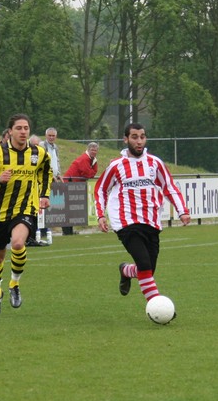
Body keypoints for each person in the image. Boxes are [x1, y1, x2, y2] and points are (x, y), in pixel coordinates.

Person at [95, 123, 191, 311]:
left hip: (151, 222)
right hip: (126, 222)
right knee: (145, 264)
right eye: (134, 137)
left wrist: (182, 210)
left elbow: (169, 187)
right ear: (125, 139)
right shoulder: (116, 166)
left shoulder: (155, 163)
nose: (139, 141)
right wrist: (101, 215)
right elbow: (100, 190)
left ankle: (125, 270)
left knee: (148, 270)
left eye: (142, 137)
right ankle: (158, 308)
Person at [0, 113, 53, 314]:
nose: (23, 131)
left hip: (25, 208)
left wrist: (44, 194)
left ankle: (14, 284)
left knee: (18, 243)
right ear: (10, 131)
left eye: (26, 128)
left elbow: (46, 172)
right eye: (19, 128)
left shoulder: (38, 153)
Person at [61, 142, 99, 235]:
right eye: (92, 150)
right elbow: (87, 174)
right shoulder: (84, 159)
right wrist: (91, 172)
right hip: (70, 185)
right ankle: (67, 231)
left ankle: (69, 231)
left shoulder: (92, 160)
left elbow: (93, 172)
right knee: (68, 209)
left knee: (71, 209)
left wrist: (91, 171)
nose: (94, 152)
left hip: (75, 185)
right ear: (88, 150)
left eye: (95, 150)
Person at [37, 127, 62, 244]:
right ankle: (40, 229)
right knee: (41, 202)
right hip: (44, 179)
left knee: (46, 204)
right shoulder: (42, 145)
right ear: (46, 136)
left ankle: (44, 228)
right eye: (49, 135)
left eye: (53, 136)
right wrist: (50, 174)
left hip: (53, 177)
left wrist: (58, 174)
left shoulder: (55, 147)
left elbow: (56, 161)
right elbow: (44, 162)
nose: (51, 137)